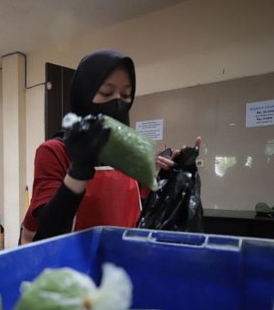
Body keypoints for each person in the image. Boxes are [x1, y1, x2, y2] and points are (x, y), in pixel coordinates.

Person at [20, 49, 201, 244]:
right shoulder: (54, 151)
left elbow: (145, 215)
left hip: (121, 263)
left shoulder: (131, 156)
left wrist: (174, 178)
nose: (117, 103)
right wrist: (79, 170)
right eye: (106, 92)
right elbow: (48, 228)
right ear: (83, 94)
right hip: (73, 268)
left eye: (125, 95)